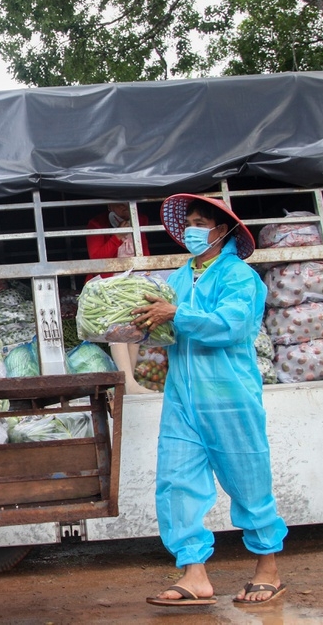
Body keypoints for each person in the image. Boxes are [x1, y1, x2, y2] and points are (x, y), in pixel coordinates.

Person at [131, 194, 288, 607]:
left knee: (247, 478)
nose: (193, 229)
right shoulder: (177, 280)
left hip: (229, 395)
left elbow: (232, 326)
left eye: (202, 222)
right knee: (176, 481)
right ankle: (194, 574)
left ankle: (268, 568)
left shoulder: (238, 277)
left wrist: (176, 317)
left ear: (224, 230)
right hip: (182, 397)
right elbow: (164, 329)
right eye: (190, 222)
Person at [85, 203, 153, 395]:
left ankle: (129, 382)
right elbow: (96, 258)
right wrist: (117, 238)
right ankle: (127, 382)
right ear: (110, 205)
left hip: (134, 281)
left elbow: (144, 249)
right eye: (122, 206)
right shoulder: (97, 224)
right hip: (108, 286)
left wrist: (146, 269)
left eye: (129, 205)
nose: (127, 210)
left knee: (135, 328)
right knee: (117, 330)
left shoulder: (140, 220)